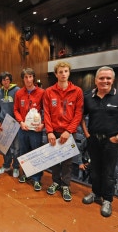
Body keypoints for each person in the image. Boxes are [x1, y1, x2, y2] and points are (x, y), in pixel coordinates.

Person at [81, 66, 118, 217]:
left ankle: (107, 200)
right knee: (94, 169)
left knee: (108, 172)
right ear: (95, 80)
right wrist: (87, 133)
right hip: (93, 140)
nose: (104, 81)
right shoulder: (88, 97)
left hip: (111, 142)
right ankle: (95, 193)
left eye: (108, 78)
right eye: (101, 78)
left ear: (113, 80)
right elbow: (80, 117)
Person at [43, 61, 84, 202]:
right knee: (54, 159)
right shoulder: (49, 92)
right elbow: (46, 113)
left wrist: (69, 131)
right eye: (60, 72)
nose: (63, 74)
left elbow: (78, 114)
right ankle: (55, 182)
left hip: (69, 133)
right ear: (56, 74)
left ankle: (65, 185)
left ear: (69, 73)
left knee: (67, 161)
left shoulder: (77, 91)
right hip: (53, 132)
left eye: (65, 71)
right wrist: (49, 131)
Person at [14, 68, 45, 191]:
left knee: (36, 153)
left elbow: (46, 110)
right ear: (23, 79)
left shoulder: (42, 92)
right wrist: (20, 122)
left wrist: (43, 124)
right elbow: (16, 109)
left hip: (36, 130)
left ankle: (37, 178)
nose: (28, 79)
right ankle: (26, 174)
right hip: (23, 129)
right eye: (25, 77)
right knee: (24, 152)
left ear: (33, 77)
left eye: (30, 77)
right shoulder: (19, 93)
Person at [0, 71, 20, 178]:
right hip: (4, 123)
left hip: (15, 123)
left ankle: (15, 167)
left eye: (7, 79)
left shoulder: (17, 90)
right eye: (3, 80)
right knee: (4, 147)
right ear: (0, 81)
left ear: (10, 80)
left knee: (16, 147)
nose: (6, 81)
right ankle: (6, 165)